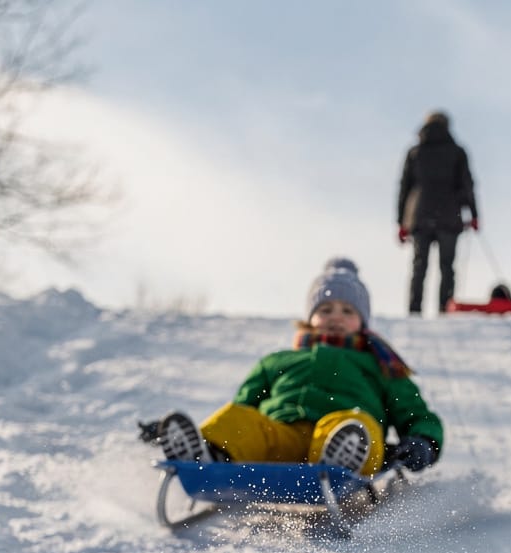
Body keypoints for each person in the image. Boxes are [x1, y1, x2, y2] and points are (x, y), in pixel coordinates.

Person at [150, 259, 444, 477]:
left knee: (356, 425)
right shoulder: (278, 360)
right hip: (279, 439)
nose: (335, 317)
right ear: (310, 317)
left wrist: (423, 440)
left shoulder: (382, 366)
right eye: (325, 310)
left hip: (340, 437)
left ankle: (340, 464)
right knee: (239, 418)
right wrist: (200, 432)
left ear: (363, 320)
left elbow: (415, 412)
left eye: (347, 311)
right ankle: (204, 454)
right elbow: (244, 405)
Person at [398, 110, 479, 316]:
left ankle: (414, 310)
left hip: (419, 214)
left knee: (419, 265)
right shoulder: (457, 152)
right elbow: (467, 185)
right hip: (449, 215)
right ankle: (445, 309)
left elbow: (404, 187)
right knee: (447, 266)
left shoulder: (415, 152)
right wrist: (474, 214)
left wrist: (401, 221)